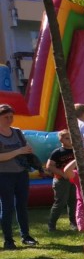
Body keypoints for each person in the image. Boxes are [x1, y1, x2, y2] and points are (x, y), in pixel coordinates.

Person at [0, 104, 38, 249]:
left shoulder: (16, 132)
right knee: (7, 207)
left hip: (21, 174)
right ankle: (8, 240)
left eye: (11, 117)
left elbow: (25, 148)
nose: (9, 120)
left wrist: (27, 150)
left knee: (22, 206)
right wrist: (19, 151)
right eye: (6, 117)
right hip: (4, 176)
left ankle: (26, 236)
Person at [46, 130, 77, 231]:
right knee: (60, 202)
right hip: (61, 181)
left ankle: (73, 223)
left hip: (74, 180)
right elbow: (49, 166)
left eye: (71, 137)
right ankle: (52, 224)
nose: (70, 140)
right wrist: (62, 174)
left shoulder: (76, 151)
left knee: (73, 201)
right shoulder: (57, 152)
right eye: (67, 138)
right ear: (61, 140)